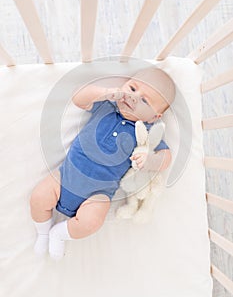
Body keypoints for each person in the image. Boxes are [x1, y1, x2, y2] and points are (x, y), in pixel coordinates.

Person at [30, 66, 176, 260]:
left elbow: (166, 156)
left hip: (97, 195)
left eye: (144, 100)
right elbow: (78, 97)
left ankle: (59, 234)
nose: (133, 97)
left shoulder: (146, 131)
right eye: (132, 88)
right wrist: (105, 93)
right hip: (65, 177)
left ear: (155, 117)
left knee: (92, 222)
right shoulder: (106, 107)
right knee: (38, 197)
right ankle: (43, 232)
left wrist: (150, 160)